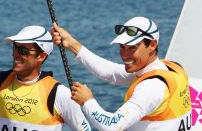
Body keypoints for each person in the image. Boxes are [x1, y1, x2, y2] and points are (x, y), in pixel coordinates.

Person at [51, 17, 192, 131]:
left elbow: (111, 126)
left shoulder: (151, 87)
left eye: (132, 48)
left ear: (153, 45)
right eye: (122, 47)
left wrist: (87, 101)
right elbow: (110, 72)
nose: (124, 55)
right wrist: (72, 44)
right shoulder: (172, 68)